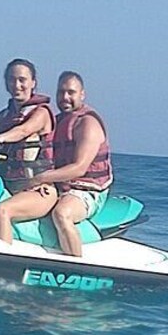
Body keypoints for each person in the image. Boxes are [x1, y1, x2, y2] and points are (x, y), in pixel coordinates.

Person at [24, 71, 113, 256]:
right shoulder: (57, 121)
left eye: (71, 92)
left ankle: (75, 268)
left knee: (62, 214)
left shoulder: (87, 123)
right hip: (61, 185)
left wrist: (40, 179)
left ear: (82, 94)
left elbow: (79, 168)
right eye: (61, 92)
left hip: (89, 190)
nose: (65, 97)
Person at [0, 59, 59, 245]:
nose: (17, 85)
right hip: (9, 185)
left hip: (38, 191)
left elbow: (23, 131)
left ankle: (2, 268)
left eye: (22, 80)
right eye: (12, 80)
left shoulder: (41, 113)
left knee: (2, 211)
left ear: (33, 83)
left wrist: (0, 138)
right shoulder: (6, 115)